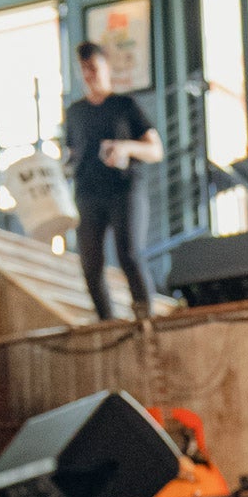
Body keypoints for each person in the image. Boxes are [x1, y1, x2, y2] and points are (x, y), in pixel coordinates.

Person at [63, 41, 163, 319]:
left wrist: (125, 148)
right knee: (90, 264)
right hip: (87, 193)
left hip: (124, 189)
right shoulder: (74, 112)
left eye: (93, 68)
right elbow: (72, 155)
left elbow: (156, 150)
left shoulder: (125, 105)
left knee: (129, 254)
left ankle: (146, 318)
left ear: (106, 68)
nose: (89, 75)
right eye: (83, 69)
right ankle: (106, 322)